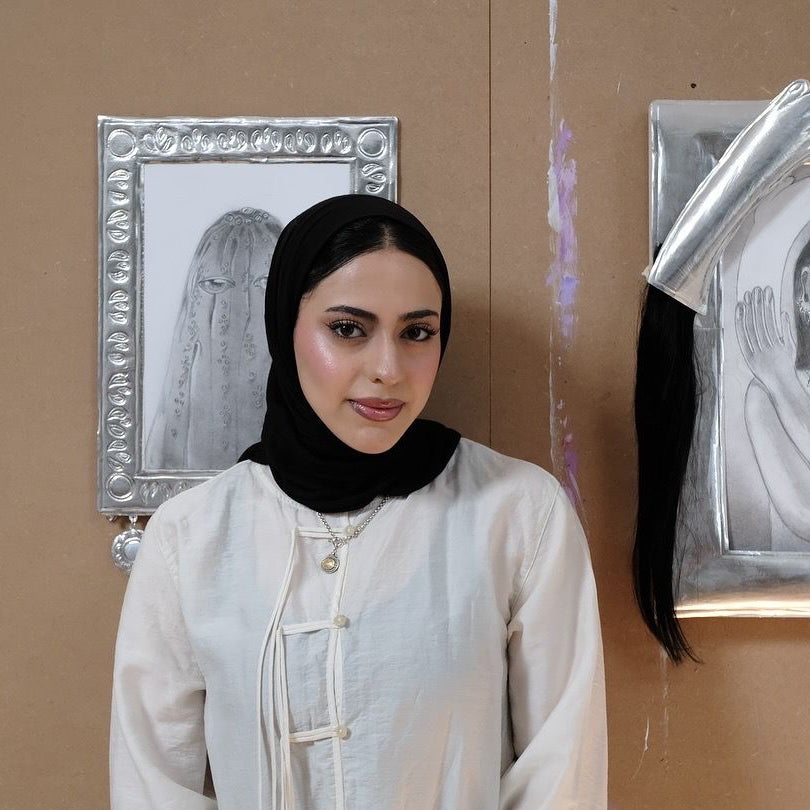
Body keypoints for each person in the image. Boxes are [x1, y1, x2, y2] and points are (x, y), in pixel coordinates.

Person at [110, 194, 607, 809]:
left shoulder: (518, 515)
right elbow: (153, 785)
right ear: (283, 328)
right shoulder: (192, 536)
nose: (389, 368)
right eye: (348, 329)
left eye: (417, 332)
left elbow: (562, 778)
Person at [735, 239, 810, 547]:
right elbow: (805, 517)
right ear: (806, 285)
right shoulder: (763, 393)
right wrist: (782, 383)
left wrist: (786, 387)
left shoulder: (778, 383)